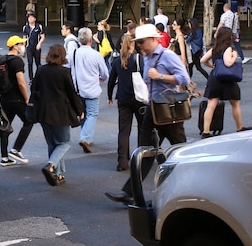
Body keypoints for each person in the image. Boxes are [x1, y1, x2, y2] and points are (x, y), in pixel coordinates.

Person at [104, 23, 191, 205]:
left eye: (142, 42)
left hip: (168, 109)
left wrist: (160, 76)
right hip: (153, 108)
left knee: (181, 151)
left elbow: (184, 78)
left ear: (153, 39)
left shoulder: (167, 56)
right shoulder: (147, 57)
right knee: (144, 152)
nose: (139, 46)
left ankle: (192, 188)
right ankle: (130, 192)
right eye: (137, 43)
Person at [33, 44, 84, 186]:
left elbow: (34, 89)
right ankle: (51, 165)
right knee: (64, 143)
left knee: (52, 143)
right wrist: (79, 110)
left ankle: (57, 174)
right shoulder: (64, 72)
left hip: (44, 112)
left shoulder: (41, 70)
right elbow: (71, 93)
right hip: (61, 112)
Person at [200, 26, 250, 137]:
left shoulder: (215, 48)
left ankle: (206, 131)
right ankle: (239, 127)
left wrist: (214, 66)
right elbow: (228, 63)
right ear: (228, 37)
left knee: (211, 105)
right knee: (235, 103)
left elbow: (203, 60)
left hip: (215, 78)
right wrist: (234, 56)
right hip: (227, 79)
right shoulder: (228, 48)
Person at [107, 34, 147, 171]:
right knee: (142, 128)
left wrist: (109, 96)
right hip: (138, 98)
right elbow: (145, 77)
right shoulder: (138, 59)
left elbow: (112, 80)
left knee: (124, 131)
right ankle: (141, 157)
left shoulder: (118, 61)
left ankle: (122, 161)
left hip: (123, 98)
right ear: (133, 45)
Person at [72, 27, 109, 153]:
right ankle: (85, 137)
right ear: (90, 40)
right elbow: (105, 73)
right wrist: (101, 78)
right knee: (92, 114)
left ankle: (85, 134)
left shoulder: (74, 53)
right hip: (92, 88)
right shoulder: (96, 55)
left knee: (83, 114)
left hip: (78, 88)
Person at [0, 35, 31, 167]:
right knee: (29, 121)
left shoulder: (2, 60)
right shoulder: (17, 62)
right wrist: (26, 98)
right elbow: (21, 82)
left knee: (5, 126)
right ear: (15, 46)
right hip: (16, 98)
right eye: (21, 44)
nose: (23, 46)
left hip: (4, 98)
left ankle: (4, 157)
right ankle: (16, 149)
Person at [23, 12, 45, 80]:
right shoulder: (25, 27)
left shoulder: (39, 26)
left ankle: (39, 77)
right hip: (29, 47)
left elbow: (43, 37)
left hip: (37, 47)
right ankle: (31, 78)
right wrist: (23, 48)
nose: (30, 19)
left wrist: (39, 44)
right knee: (30, 63)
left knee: (38, 63)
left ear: (35, 19)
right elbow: (24, 38)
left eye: (32, 17)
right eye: (29, 17)